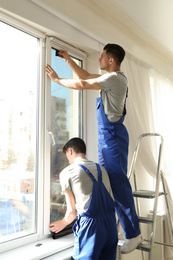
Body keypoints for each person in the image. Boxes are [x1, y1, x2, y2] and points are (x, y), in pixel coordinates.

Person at [46, 43, 143, 253]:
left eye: (102, 56)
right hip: (109, 137)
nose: (99, 59)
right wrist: (68, 60)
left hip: (112, 137)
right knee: (112, 185)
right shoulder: (111, 79)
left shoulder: (114, 78)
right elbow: (87, 75)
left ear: (110, 60)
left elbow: (82, 84)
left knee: (118, 185)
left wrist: (56, 80)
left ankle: (134, 234)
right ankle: (127, 231)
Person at [50, 137, 118, 260]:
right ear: (84, 152)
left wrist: (62, 223)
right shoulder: (101, 169)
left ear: (70, 151)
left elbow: (71, 213)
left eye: (67, 156)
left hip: (91, 229)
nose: (69, 160)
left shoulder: (68, 172)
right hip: (111, 226)